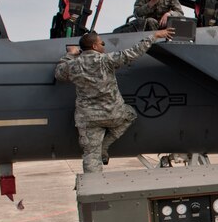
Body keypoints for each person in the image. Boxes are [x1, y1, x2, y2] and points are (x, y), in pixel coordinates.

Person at [55, 28, 174, 173]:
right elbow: (133, 53)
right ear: (94, 47)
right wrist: (154, 36)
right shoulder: (106, 60)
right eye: (102, 43)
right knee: (130, 114)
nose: (103, 46)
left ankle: (94, 188)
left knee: (91, 155)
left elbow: (59, 74)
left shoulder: (73, 64)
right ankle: (105, 146)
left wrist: (69, 55)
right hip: (113, 114)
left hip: (87, 119)